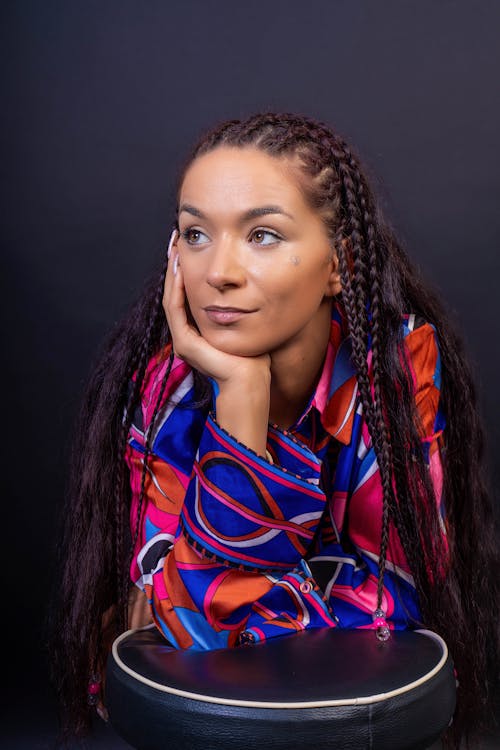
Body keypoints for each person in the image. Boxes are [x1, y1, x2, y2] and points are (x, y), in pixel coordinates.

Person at [47, 112, 499, 748]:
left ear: (339, 263)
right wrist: (241, 394)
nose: (219, 271)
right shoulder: (167, 389)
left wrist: (227, 596)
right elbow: (196, 632)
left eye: (262, 235)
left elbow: (393, 607)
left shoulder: (393, 377)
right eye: (195, 234)